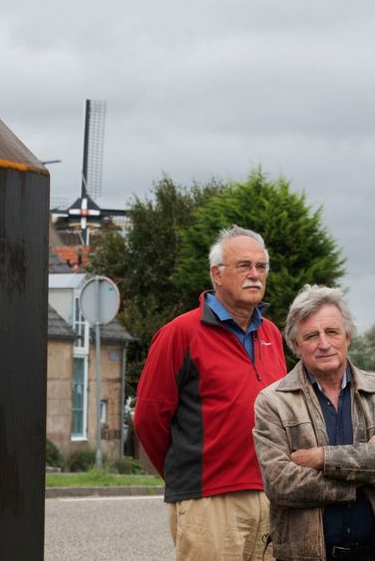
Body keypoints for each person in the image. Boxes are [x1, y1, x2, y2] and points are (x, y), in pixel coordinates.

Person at [134, 225, 288, 560]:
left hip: (271, 495)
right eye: (244, 266)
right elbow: (148, 417)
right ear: (216, 274)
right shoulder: (180, 333)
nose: (255, 275)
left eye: (261, 267)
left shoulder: (272, 334)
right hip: (209, 500)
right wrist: (190, 476)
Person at [253, 285, 375, 561]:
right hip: (309, 555)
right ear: (295, 345)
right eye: (311, 336)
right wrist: (367, 473)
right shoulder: (273, 402)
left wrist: (322, 458)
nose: (324, 343)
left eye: (332, 332)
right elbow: (281, 483)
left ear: (348, 336)